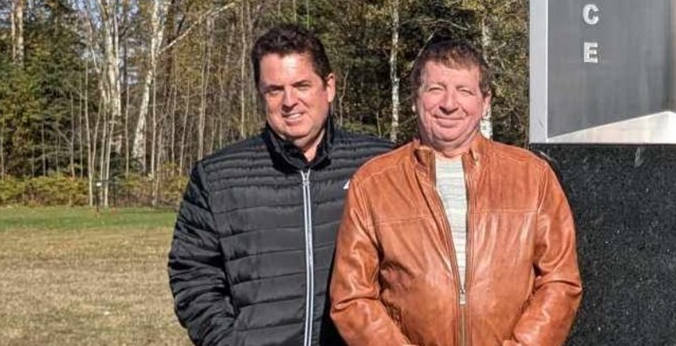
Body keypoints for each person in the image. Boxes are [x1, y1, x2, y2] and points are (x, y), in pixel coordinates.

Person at [330, 39, 582, 346]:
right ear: (415, 98)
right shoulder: (373, 184)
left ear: (485, 102)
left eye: (464, 90)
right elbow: (351, 297)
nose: (449, 103)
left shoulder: (532, 176)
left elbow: (560, 280)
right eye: (436, 89)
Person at [168, 24, 391, 346]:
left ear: (328, 87)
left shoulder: (379, 165)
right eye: (274, 90)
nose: (290, 101)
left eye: (301, 85)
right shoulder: (218, 176)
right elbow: (193, 277)